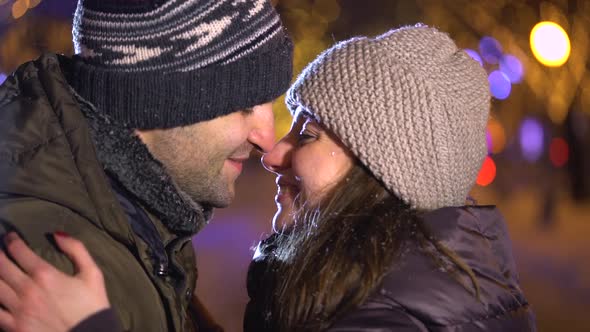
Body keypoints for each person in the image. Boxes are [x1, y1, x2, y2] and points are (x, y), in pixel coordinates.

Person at [1, 25, 537, 331]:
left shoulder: (385, 322)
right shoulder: (378, 296)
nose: (273, 149)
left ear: (382, 171)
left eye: (308, 134)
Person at [0, 0, 293, 331]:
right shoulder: (46, 266)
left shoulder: (145, 225)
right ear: (154, 104)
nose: (268, 140)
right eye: (243, 105)